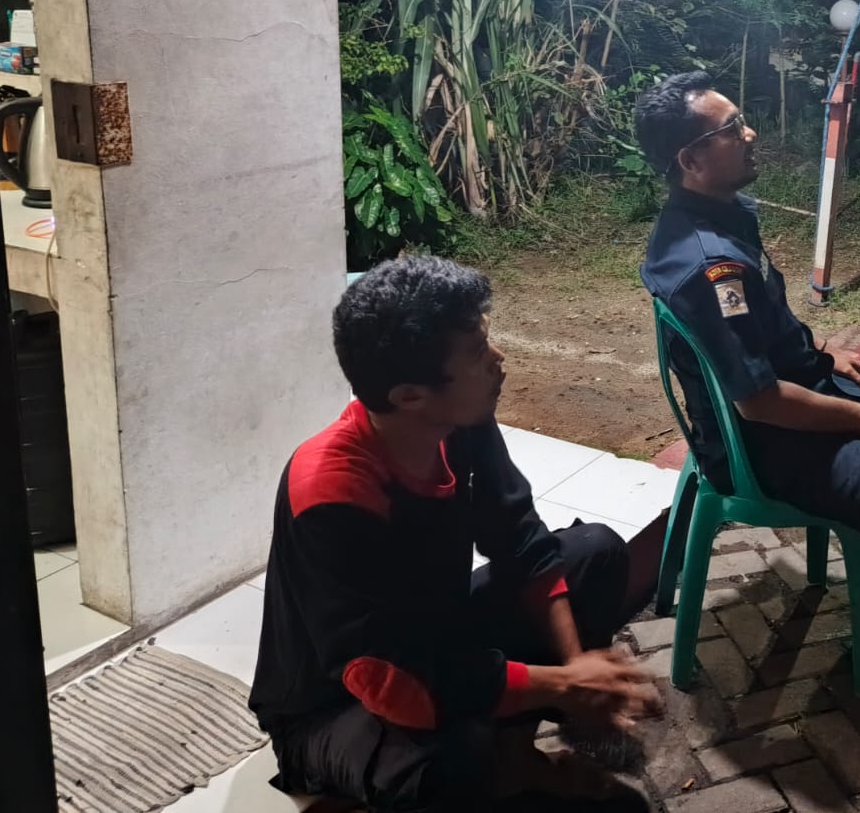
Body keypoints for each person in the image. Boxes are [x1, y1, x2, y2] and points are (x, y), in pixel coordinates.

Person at [636, 72, 860, 731]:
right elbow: (759, 401)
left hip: (787, 399)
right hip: (765, 442)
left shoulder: (723, 214)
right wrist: (856, 417)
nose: (750, 133)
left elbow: (762, 328)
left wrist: (823, 351)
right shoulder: (708, 263)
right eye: (731, 129)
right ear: (691, 160)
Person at [250, 257, 655, 813]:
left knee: (596, 552)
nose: (498, 359)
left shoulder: (458, 420)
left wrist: (573, 670)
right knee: (449, 760)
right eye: (477, 351)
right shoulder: (332, 492)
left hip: (434, 637)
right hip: (336, 704)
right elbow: (394, 682)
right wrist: (565, 686)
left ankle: (512, 752)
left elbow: (521, 542)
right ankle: (506, 766)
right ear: (410, 395)